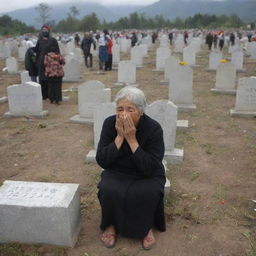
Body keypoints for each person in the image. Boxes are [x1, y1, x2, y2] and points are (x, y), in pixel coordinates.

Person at [96, 86, 166, 250]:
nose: (124, 114)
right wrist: (120, 137)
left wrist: (132, 139)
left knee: (146, 192)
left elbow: (150, 167)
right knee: (109, 188)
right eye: (120, 109)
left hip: (147, 173)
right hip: (118, 171)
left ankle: (146, 227)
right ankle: (111, 224)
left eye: (130, 109)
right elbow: (102, 160)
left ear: (141, 111)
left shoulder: (154, 128)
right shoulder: (109, 124)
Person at [34, 24, 60, 100]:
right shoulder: (40, 41)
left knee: (49, 80)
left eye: (46, 30)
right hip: (41, 63)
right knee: (42, 80)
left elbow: (57, 52)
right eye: (43, 30)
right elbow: (37, 50)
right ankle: (43, 95)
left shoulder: (53, 40)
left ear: (49, 31)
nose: (44, 32)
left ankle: (50, 95)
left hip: (50, 64)